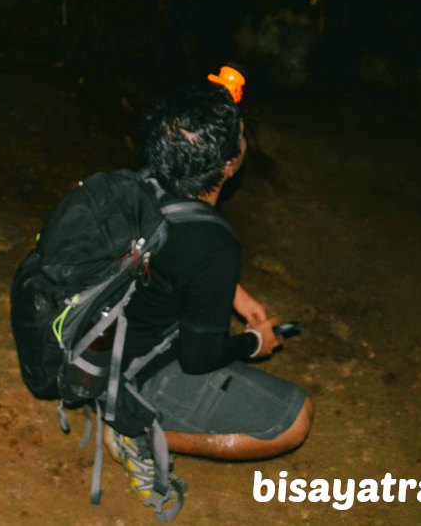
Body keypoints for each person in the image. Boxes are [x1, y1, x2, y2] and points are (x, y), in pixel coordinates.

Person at [105, 83, 314, 505]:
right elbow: (198, 357)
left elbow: (169, 257)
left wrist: (234, 294)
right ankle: (135, 432)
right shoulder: (212, 244)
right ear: (230, 163)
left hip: (92, 343)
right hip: (132, 372)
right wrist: (254, 343)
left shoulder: (137, 187)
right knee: (295, 421)